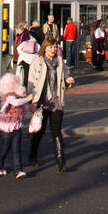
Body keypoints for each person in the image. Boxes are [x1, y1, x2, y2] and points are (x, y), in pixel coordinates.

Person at [26, 36, 75, 171]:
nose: (53, 50)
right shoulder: (38, 62)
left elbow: (66, 74)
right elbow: (31, 82)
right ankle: (32, 155)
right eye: (50, 47)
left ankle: (61, 161)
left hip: (56, 100)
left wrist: (68, 79)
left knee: (56, 132)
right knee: (39, 131)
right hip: (41, 102)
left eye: (55, 47)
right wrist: (32, 101)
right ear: (44, 48)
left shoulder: (59, 61)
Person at [0, 71, 33, 178]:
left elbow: (23, 107)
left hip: (16, 126)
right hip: (6, 128)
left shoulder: (18, 98)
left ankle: (18, 170)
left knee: (17, 149)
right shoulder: (9, 97)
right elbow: (15, 103)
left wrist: (30, 107)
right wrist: (27, 99)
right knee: (5, 148)